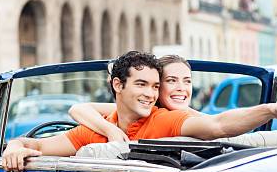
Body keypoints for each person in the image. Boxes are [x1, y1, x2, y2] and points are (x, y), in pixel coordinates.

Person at [2, 51, 277, 172]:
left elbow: (217, 126)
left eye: (154, 86)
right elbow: (38, 145)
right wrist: (15, 146)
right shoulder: (96, 128)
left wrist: (270, 109)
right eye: (143, 85)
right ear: (117, 85)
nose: (150, 94)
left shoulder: (168, 119)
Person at [69, 55, 200, 142]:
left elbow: (215, 125)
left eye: (187, 81)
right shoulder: (140, 112)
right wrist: (110, 130)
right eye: (171, 80)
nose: (181, 88)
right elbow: (78, 109)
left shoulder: (189, 117)